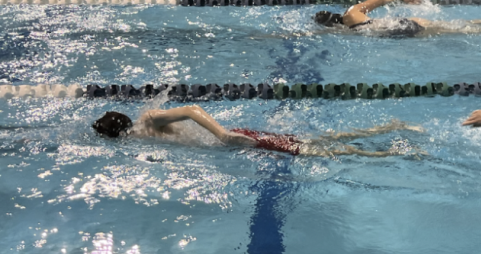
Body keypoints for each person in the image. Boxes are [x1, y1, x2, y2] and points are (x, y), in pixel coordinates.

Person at [91, 106, 423, 158]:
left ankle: (391, 151)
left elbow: (192, 111)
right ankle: (392, 129)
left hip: (237, 138)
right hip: (237, 141)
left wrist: (222, 135)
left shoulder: (148, 120)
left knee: (314, 151)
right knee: (319, 143)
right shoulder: (136, 135)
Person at [313, 0, 481, 37]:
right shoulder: (352, 14)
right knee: (461, 25)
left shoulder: (345, 31)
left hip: (398, 32)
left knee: (459, 30)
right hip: (399, 24)